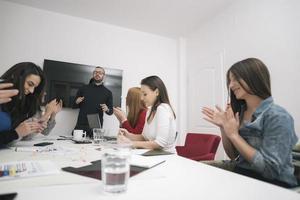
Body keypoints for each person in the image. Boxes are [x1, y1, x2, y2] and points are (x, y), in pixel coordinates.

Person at [202, 58, 298, 187]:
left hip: (274, 185)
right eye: (230, 80)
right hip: (244, 178)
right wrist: (224, 128)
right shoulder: (239, 113)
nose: (231, 85)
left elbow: (271, 170)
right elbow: (234, 156)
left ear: (254, 78)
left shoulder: (278, 116)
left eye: (235, 79)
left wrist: (234, 135)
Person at [118, 76, 177, 153]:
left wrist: (131, 143)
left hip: (167, 157)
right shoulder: (149, 110)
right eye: (141, 94)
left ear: (157, 92)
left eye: (145, 94)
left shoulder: (163, 109)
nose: (141, 98)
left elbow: (160, 143)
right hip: (153, 154)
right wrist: (128, 135)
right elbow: (144, 137)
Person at [0, 62, 47, 145]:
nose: (32, 91)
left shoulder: (17, 104)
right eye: (30, 84)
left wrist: (29, 127)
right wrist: (16, 133)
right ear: (16, 76)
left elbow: (10, 140)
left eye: (34, 88)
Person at [72, 66, 113, 136]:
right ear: (93, 74)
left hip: (96, 125)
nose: (97, 74)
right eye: (95, 72)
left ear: (103, 76)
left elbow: (110, 112)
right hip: (81, 123)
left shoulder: (108, 92)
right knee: (74, 144)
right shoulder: (83, 88)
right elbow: (73, 106)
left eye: (100, 73)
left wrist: (107, 109)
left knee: (95, 145)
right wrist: (76, 102)